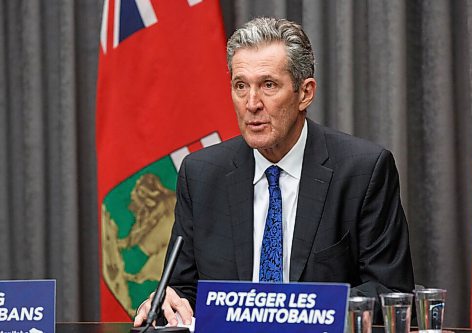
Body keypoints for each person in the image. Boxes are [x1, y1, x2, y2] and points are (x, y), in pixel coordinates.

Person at [134, 16, 414, 328]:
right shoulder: (201, 174)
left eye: (268, 85)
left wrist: (286, 313)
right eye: (241, 86)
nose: (251, 103)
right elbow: (184, 290)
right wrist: (167, 299)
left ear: (304, 93)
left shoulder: (362, 170)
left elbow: (390, 291)